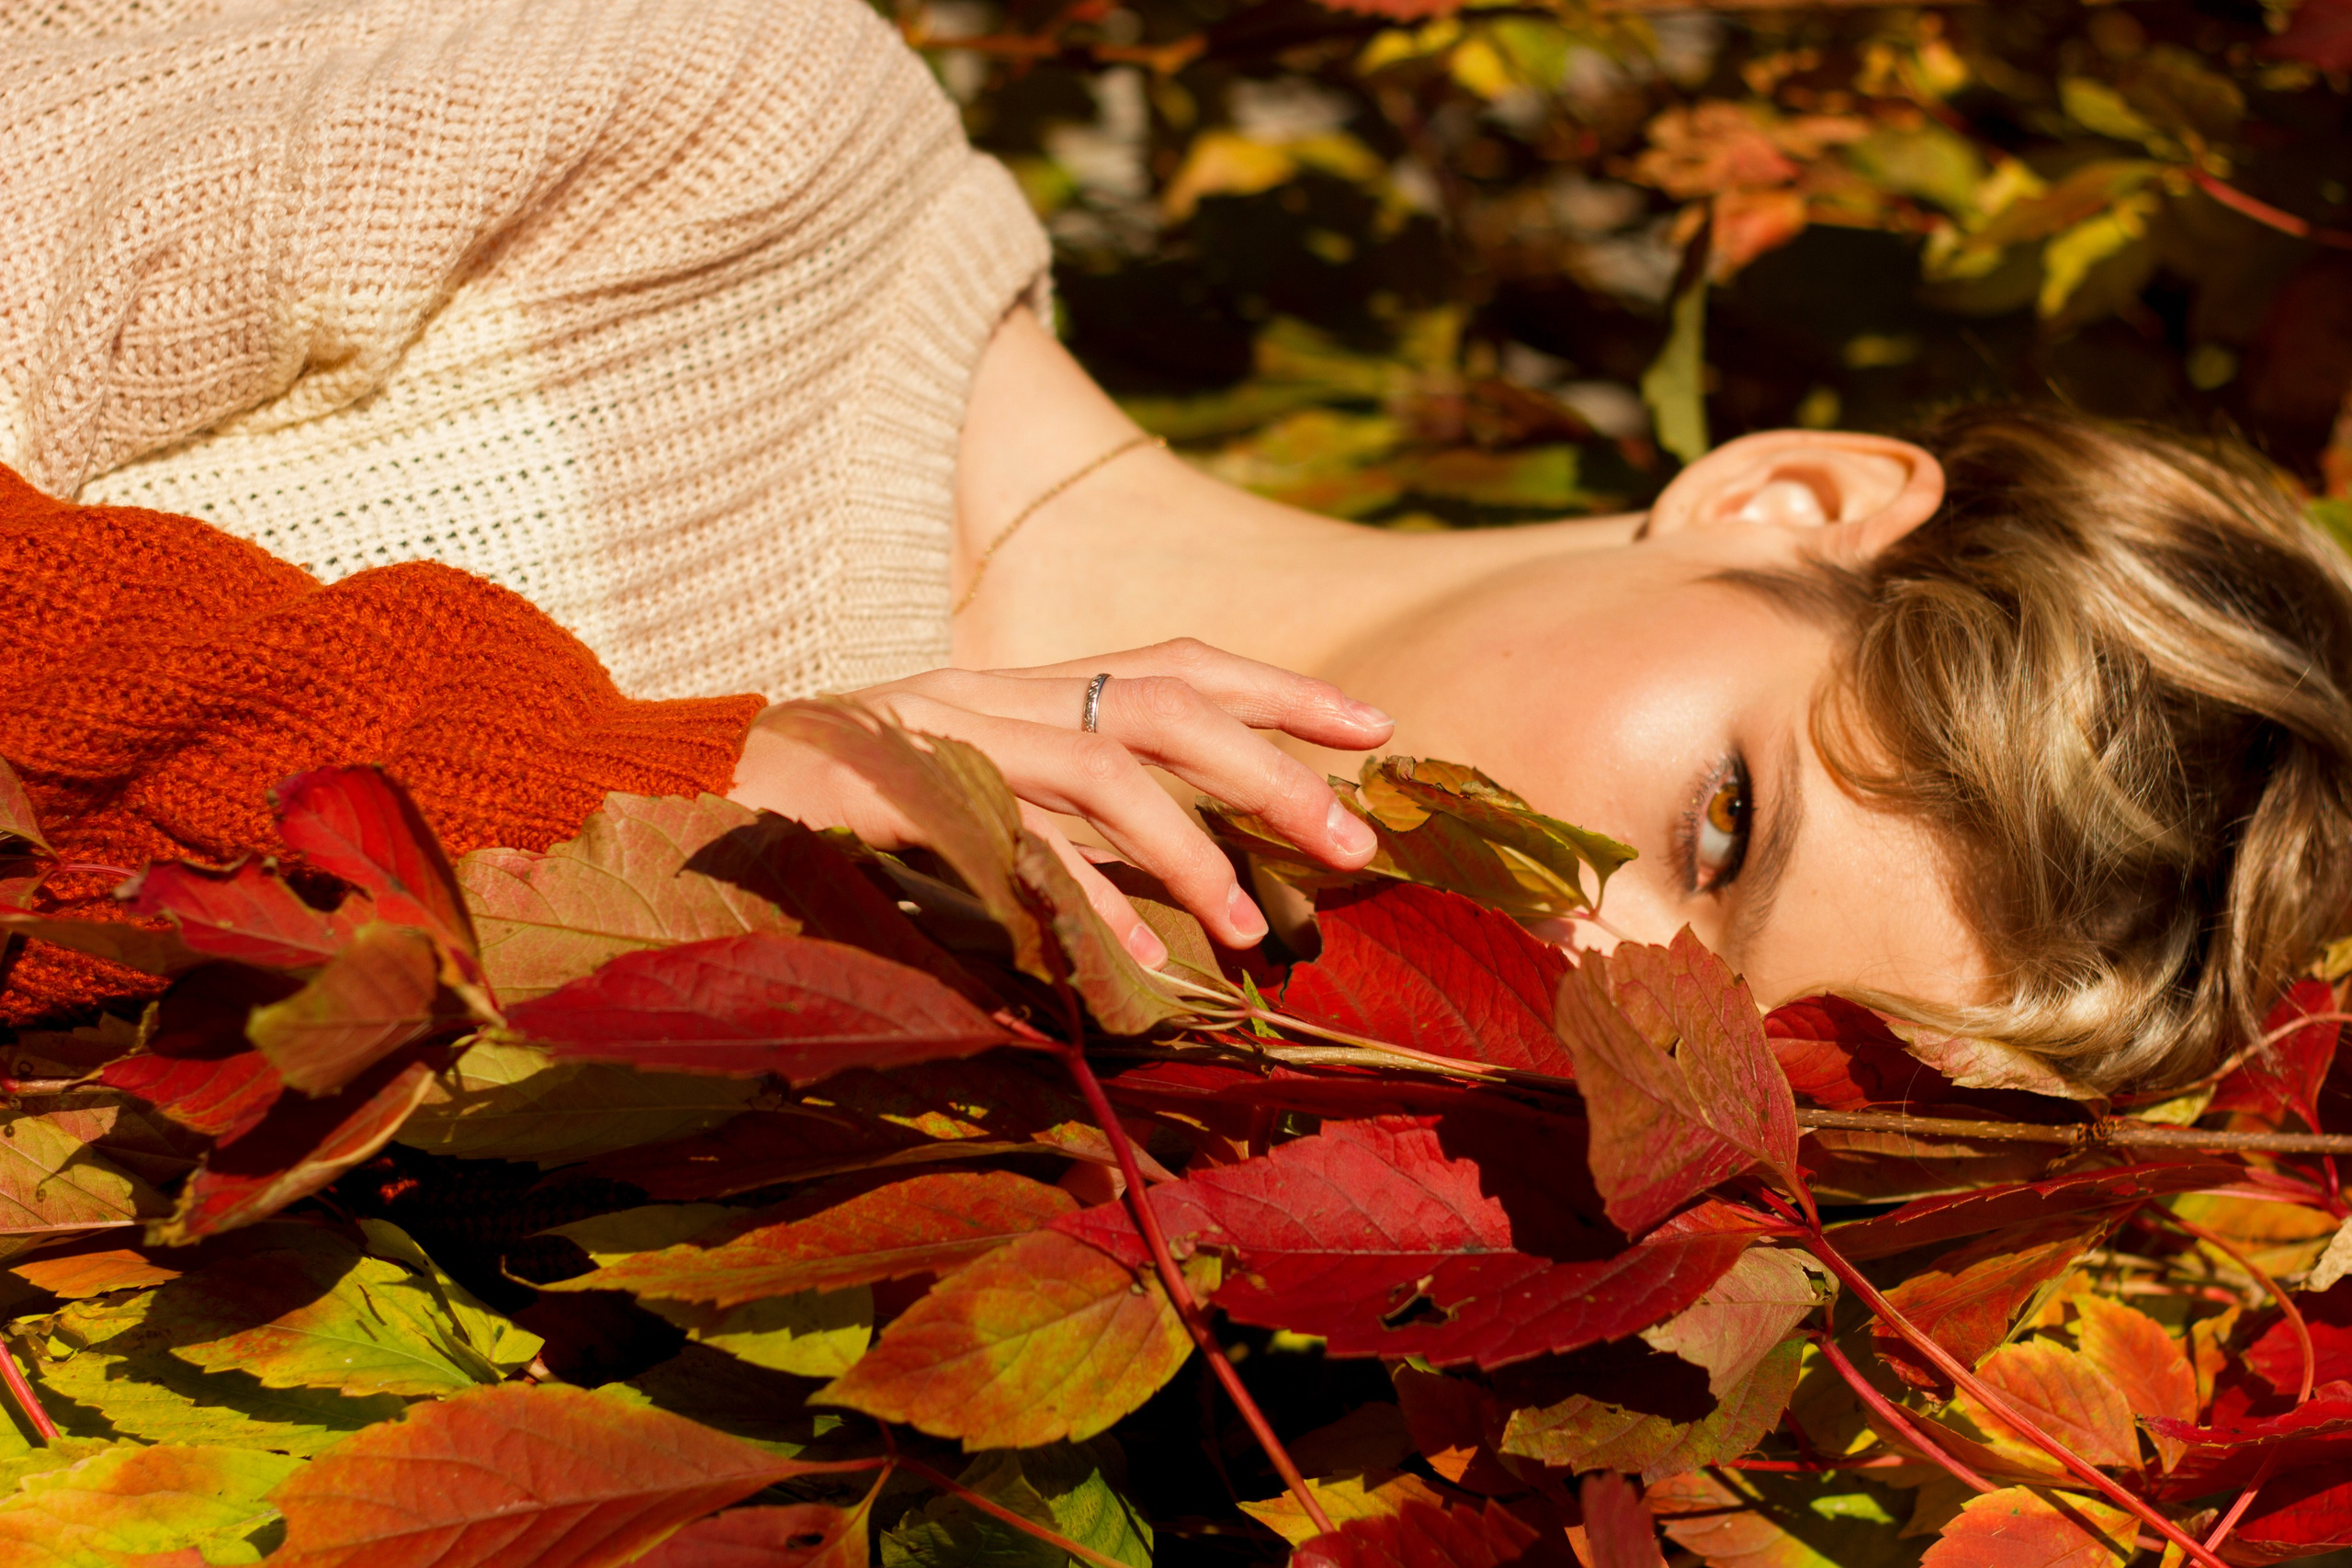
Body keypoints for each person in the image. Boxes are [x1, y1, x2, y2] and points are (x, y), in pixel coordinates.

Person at [6, 0, 2350, 1095]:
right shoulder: (726, 142)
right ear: (1785, 500)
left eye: (1708, 1059)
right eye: (1715, 825)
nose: (1579, 963)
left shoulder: (1045, 1183)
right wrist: (651, 797)